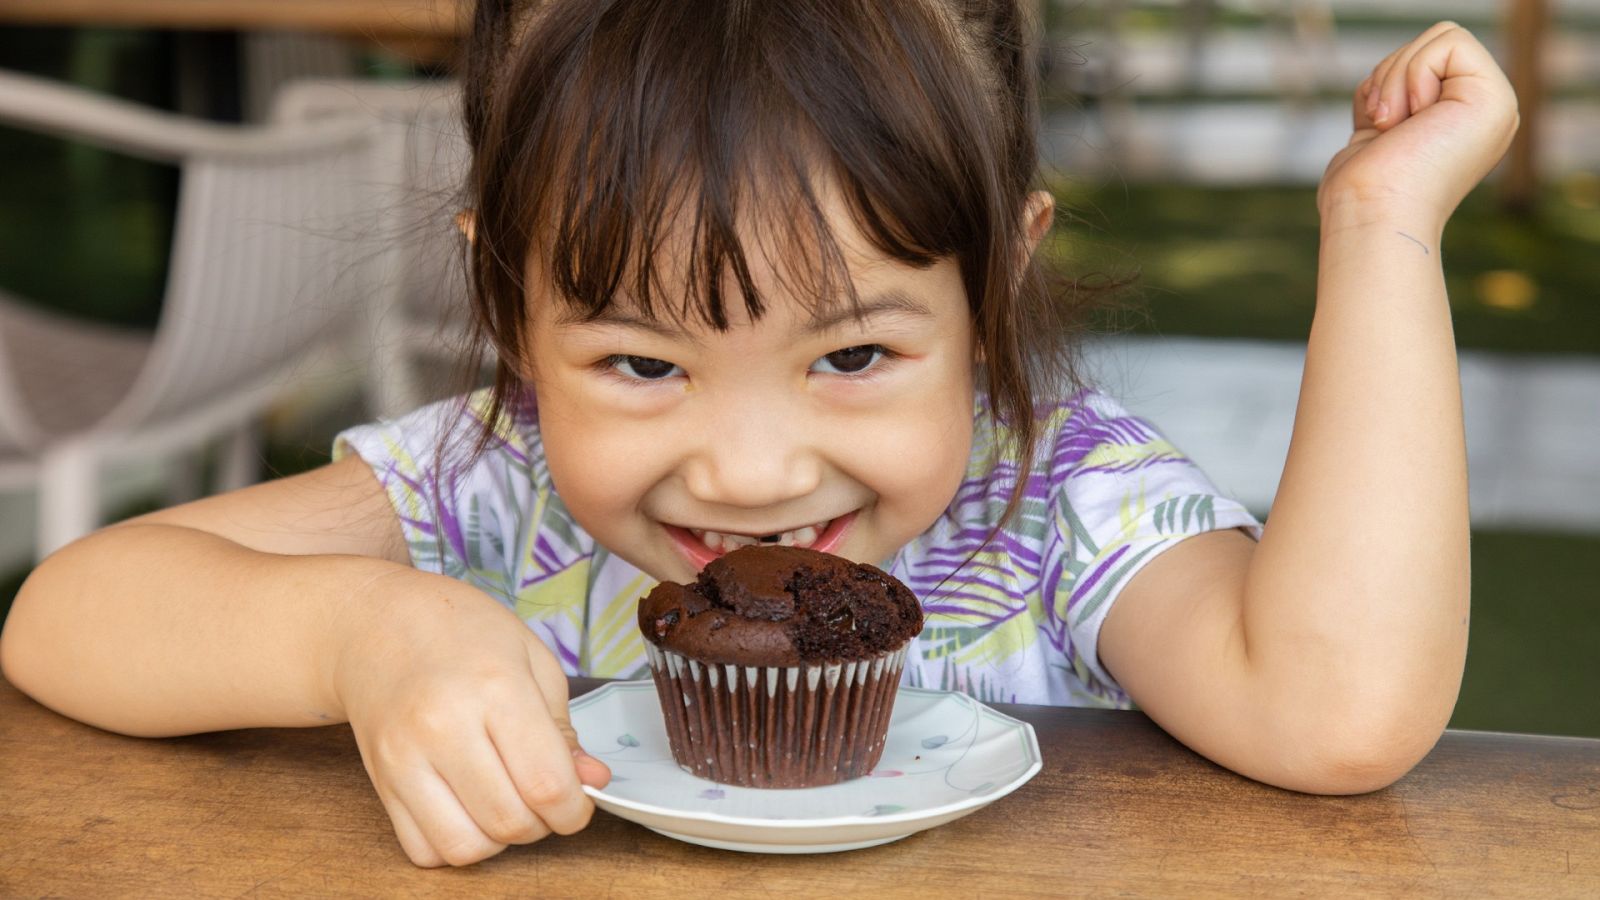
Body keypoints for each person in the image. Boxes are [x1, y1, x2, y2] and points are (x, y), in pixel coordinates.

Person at [0, 0, 1517, 869]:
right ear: (511, 310)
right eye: (643, 364)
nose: (749, 473)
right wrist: (358, 633)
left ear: (992, 295)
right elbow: (68, 617)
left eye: (852, 352)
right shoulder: (490, 481)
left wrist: (1381, 231)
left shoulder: (1052, 496)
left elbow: (1336, 713)